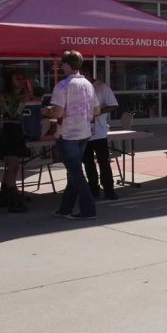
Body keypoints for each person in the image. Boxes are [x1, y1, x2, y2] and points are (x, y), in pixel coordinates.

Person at [44, 51, 98, 220]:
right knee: (73, 173)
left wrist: (46, 111)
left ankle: (88, 210)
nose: (60, 66)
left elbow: (58, 112)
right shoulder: (89, 84)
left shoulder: (62, 85)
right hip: (84, 132)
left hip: (67, 134)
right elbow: (96, 110)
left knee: (76, 174)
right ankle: (65, 208)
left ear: (67, 65)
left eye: (62, 64)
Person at [0, 68, 30, 212]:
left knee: (13, 165)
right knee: (13, 165)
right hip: (9, 130)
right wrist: (23, 102)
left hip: (18, 130)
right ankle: (12, 197)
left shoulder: (22, 94)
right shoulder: (4, 96)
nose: (21, 82)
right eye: (17, 79)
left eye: (22, 78)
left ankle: (4, 195)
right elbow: (11, 113)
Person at [82, 71, 119, 201]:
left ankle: (109, 189)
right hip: (84, 132)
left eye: (82, 74)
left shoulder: (102, 87)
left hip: (99, 132)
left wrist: (98, 112)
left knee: (103, 161)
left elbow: (113, 105)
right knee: (88, 162)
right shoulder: (79, 87)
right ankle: (93, 188)